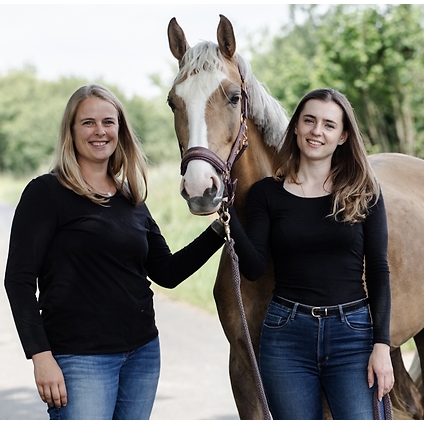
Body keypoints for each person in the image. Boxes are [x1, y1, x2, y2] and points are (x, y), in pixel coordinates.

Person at [4, 84, 226, 420]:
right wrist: (40, 356)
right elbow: (18, 281)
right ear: (71, 131)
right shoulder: (46, 193)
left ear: (120, 130)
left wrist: (219, 230)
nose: (100, 131)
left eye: (109, 122)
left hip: (142, 355)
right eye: (88, 122)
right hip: (79, 360)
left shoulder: (130, 198)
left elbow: (166, 272)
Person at [226, 88, 394, 419]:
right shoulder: (266, 194)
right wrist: (227, 216)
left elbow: (378, 270)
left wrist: (382, 346)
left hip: (352, 335)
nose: (317, 131)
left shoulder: (365, 192)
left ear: (343, 136)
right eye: (309, 121)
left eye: (329, 125)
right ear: (296, 127)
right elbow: (255, 267)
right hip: (286, 335)